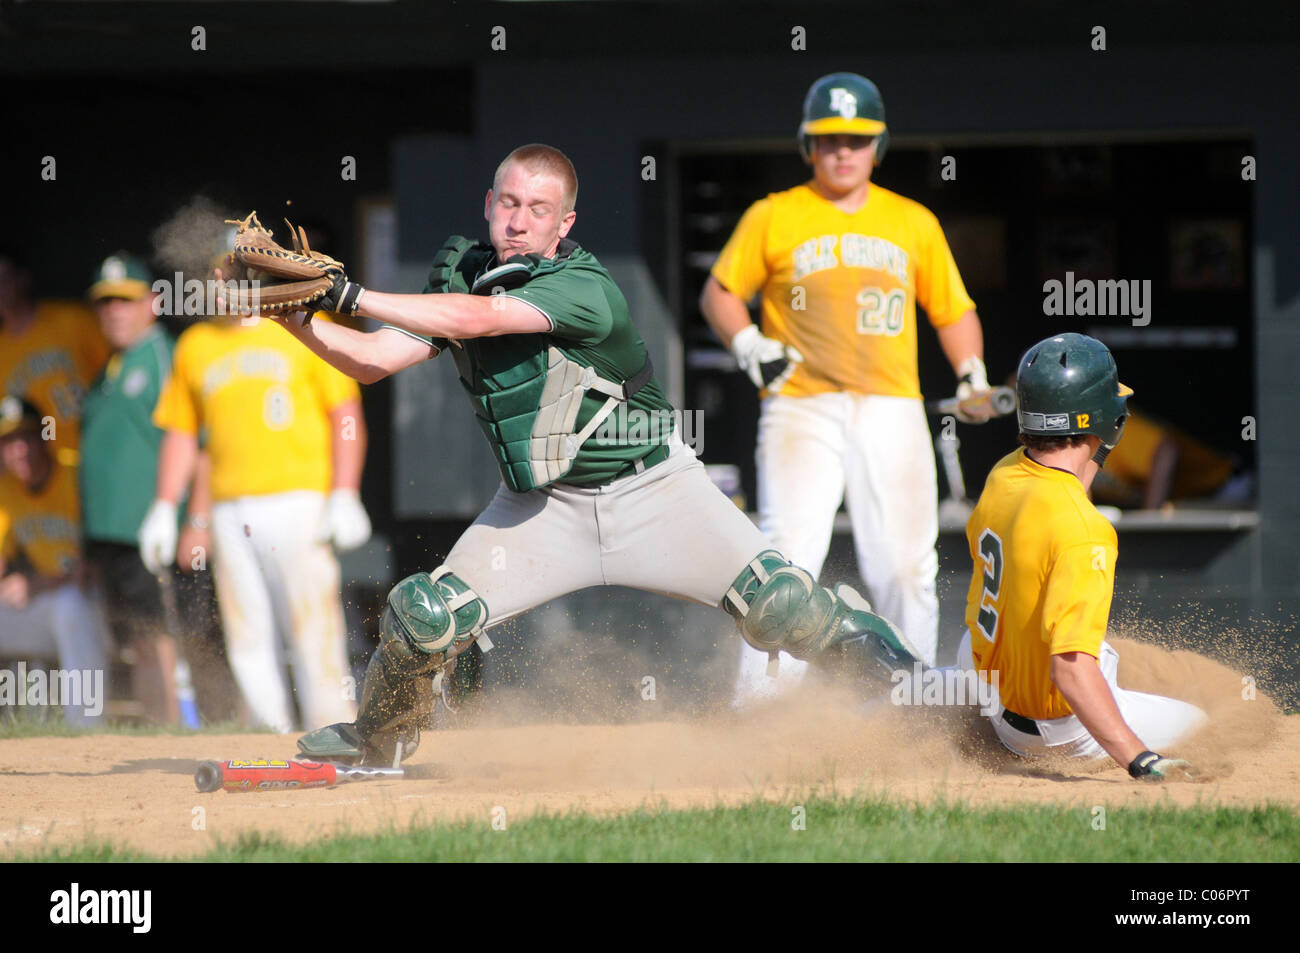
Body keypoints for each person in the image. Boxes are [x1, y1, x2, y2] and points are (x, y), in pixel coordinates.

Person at [252, 142, 923, 766]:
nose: (518, 221)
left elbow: (481, 319)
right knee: (424, 617)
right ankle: (379, 741)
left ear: (562, 223)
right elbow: (370, 360)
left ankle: (920, 698)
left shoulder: (584, 287)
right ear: (489, 205)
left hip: (655, 491)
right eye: (508, 202)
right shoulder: (465, 273)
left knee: (779, 603)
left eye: (537, 210)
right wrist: (302, 320)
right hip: (541, 509)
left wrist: (352, 295)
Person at [700, 72, 992, 706]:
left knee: (905, 563)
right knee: (783, 556)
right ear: (809, 144)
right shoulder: (774, 213)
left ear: (877, 146)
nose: (842, 151)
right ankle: (762, 709)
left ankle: (911, 697)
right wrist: (746, 342)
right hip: (801, 404)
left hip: (892, 405)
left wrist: (971, 371)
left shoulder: (911, 220)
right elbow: (720, 292)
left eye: (856, 140)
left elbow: (952, 309)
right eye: (829, 139)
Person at [954, 333, 1206, 778]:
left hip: (984, 679)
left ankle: (927, 684)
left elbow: (1062, 487)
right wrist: (1139, 759)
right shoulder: (1086, 532)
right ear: (1103, 418)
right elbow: (1068, 671)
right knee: (1201, 723)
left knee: (1069, 636)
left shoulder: (1006, 470)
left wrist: (1096, 450)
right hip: (1051, 729)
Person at [138, 264, 373, 733]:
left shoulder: (306, 327)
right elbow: (182, 434)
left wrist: (346, 493)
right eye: (221, 277)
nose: (228, 286)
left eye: (240, 276)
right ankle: (269, 737)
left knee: (313, 631)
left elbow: (344, 413)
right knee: (247, 636)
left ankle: (334, 733)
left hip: (300, 500)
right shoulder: (196, 345)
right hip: (228, 508)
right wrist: (166, 506)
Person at [80, 253, 185, 724]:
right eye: (106, 303)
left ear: (154, 302)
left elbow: (190, 441)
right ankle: (154, 726)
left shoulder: (164, 356)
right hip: (110, 533)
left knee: (159, 633)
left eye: (126, 300)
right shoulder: (109, 366)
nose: (115, 311)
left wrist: (186, 515)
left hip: (150, 529)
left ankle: (173, 727)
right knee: (135, 637)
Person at [0, 395, 108, 724]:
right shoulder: (6, 490)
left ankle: (86, 727)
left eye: (27, 438)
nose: (20, 450)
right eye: (9, 441)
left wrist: (34, 582)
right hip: (45, 604)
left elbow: (88, 571)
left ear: (44, 438)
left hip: (98, 606)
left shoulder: (78, 474)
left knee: (70, 603)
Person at [0, 248, 111, 467]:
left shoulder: (72, 320)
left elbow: (118, 376)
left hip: (96, 455)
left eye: (4, 278)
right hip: (43, 475)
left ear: (22, 279)